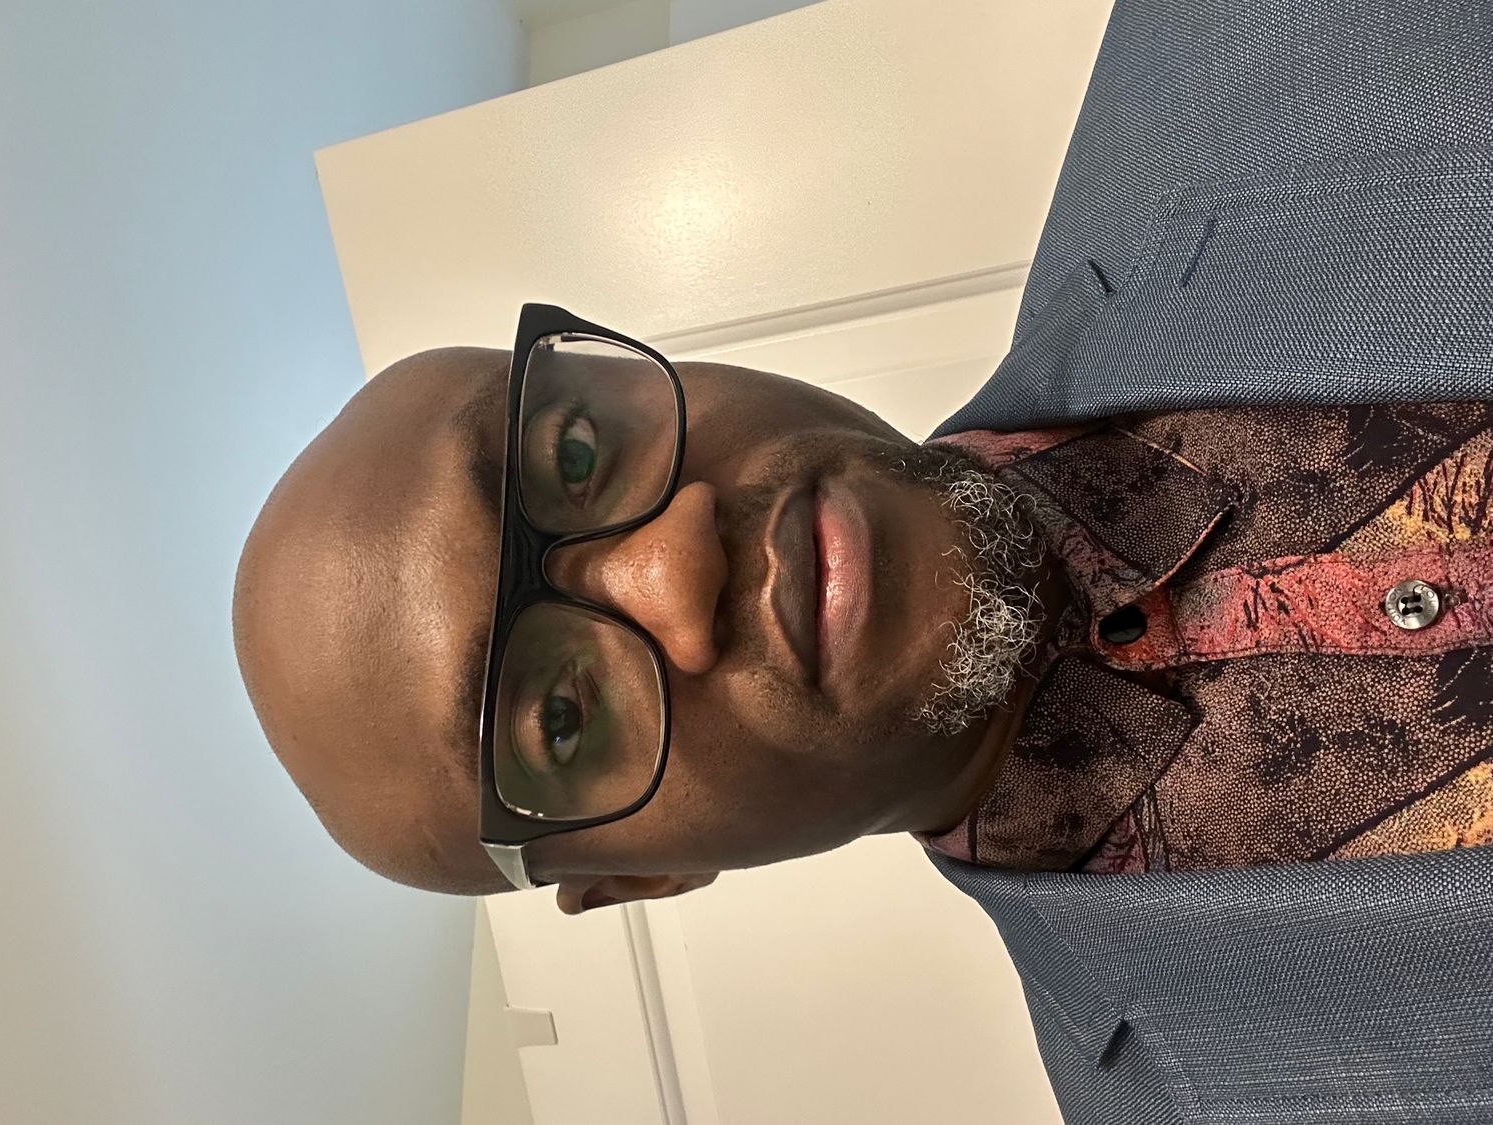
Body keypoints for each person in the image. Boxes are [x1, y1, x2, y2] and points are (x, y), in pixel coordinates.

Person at [233, 0, 1493, 1119]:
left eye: (575, 454)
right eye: (561, 717)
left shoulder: (1251, 43)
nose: (678, 565)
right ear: (640, 872)